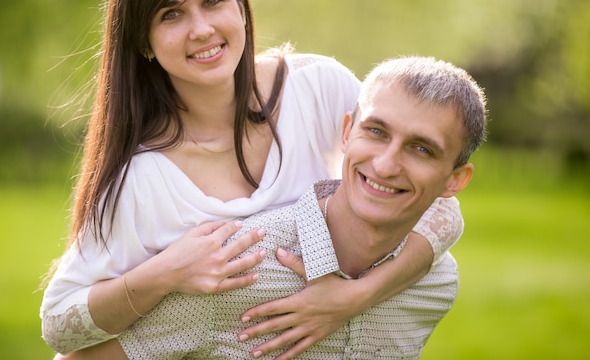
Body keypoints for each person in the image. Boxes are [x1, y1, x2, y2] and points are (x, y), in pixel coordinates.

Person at [40, 0, 465, 358]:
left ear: (241, 6)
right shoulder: (145, 181)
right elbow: (59, 326)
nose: (202, 28)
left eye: (213, 0)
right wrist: (166, 272)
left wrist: (353, 298)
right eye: (171, 14)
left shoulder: (317, 87)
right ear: (144, 43)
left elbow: (436, 205)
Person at [57, 55, 488, 360]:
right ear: (346, 132)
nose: (387, 164)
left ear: (455, 180)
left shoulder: (435, 284)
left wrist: (358, 295)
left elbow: (443, 217)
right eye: (376, 131)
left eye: (421, 150)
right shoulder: (242, 268)